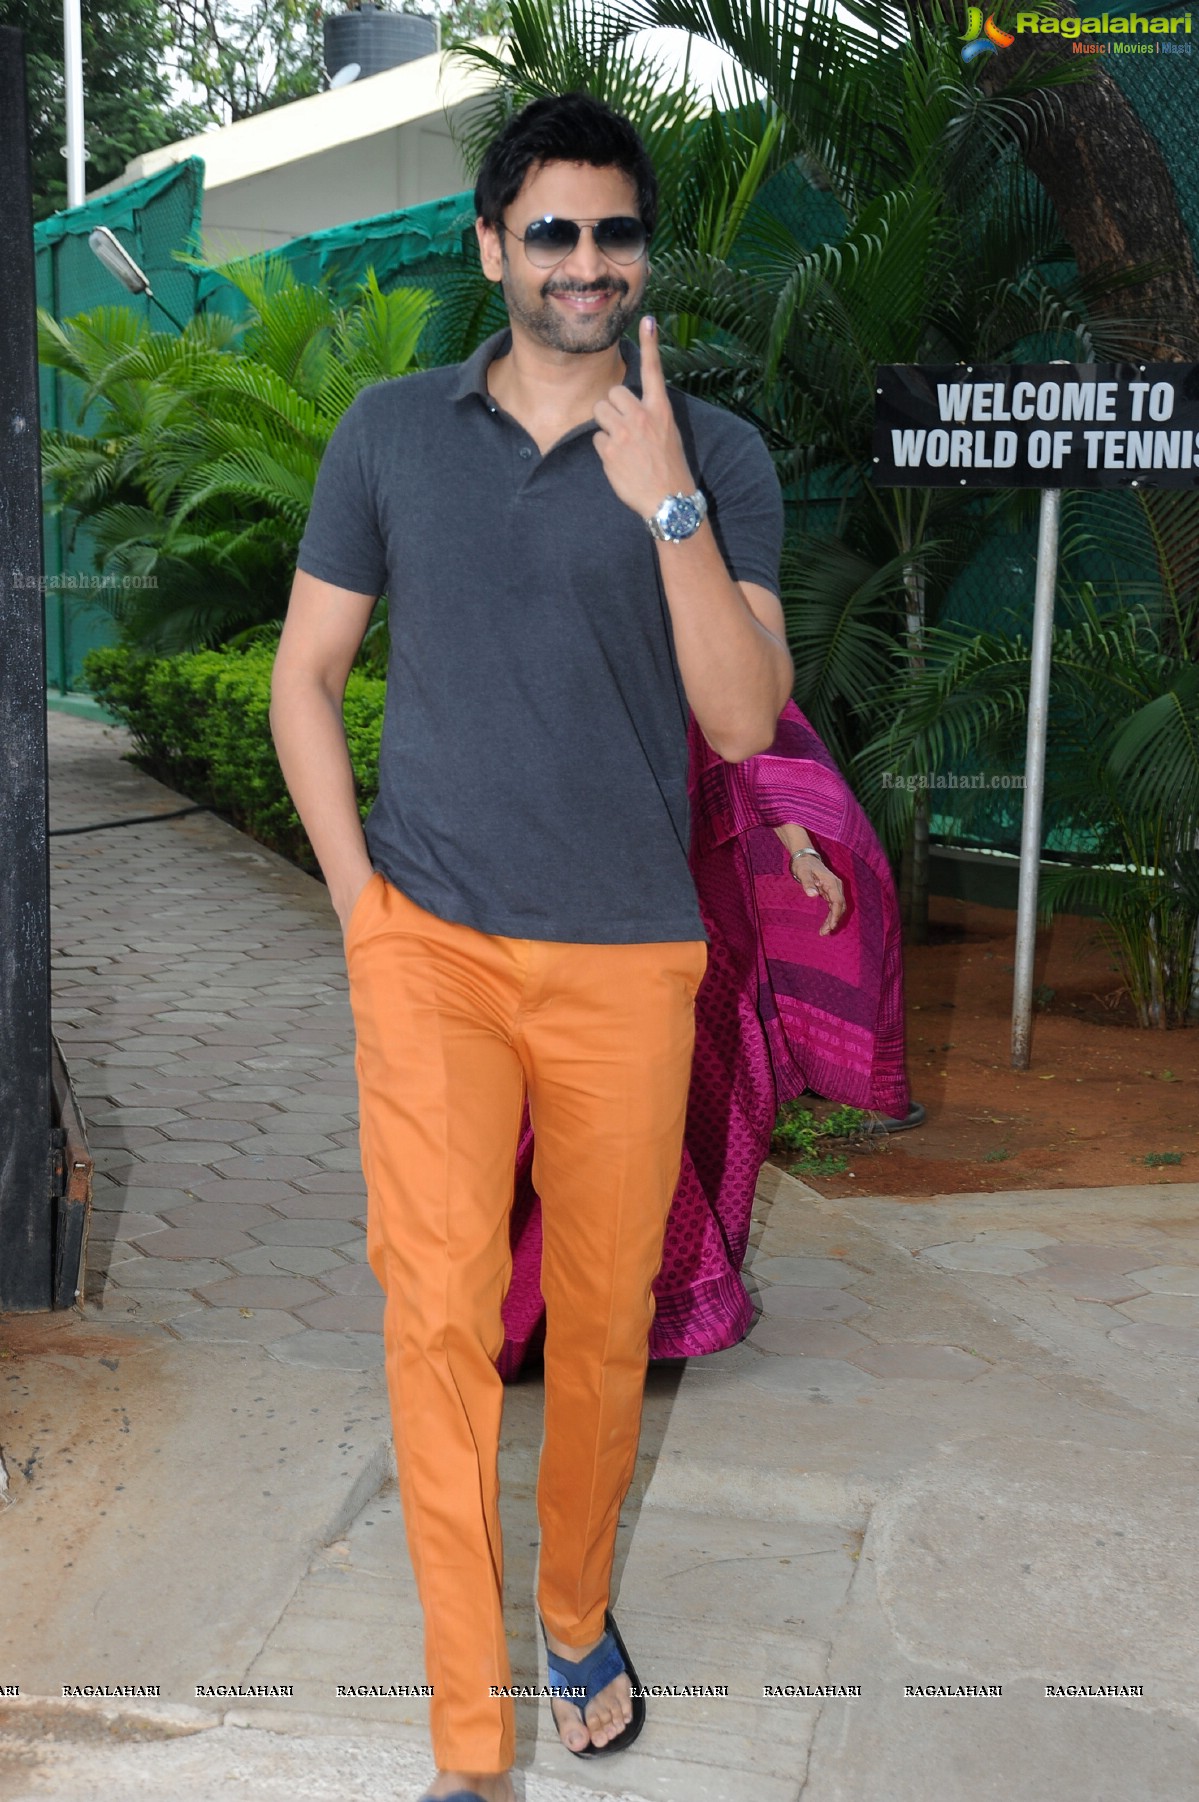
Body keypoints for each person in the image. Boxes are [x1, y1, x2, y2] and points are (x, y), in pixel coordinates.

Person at [269, 92, 792, 1802]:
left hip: (626, 960)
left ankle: (574, 1608)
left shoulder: (711, 454)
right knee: (429, 1316)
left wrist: (664, 508)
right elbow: (305, 674)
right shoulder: (388, 433)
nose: (585, 264)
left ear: (643, 254)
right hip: (426, 943)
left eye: (613, 233)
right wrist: (358, 902)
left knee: (593, 1320)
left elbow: (736, 721)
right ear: (490, 247)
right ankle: (467, 1742)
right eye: (550, 232)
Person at [497, 697, 917, 1379]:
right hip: (567, 917)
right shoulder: (550, 642)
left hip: (687, 918)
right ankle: (535, 1314)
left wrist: (802, 849)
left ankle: (659, 1319)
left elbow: (750, 743)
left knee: (707, 1100)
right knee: (570, 1113)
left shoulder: (690, 631)